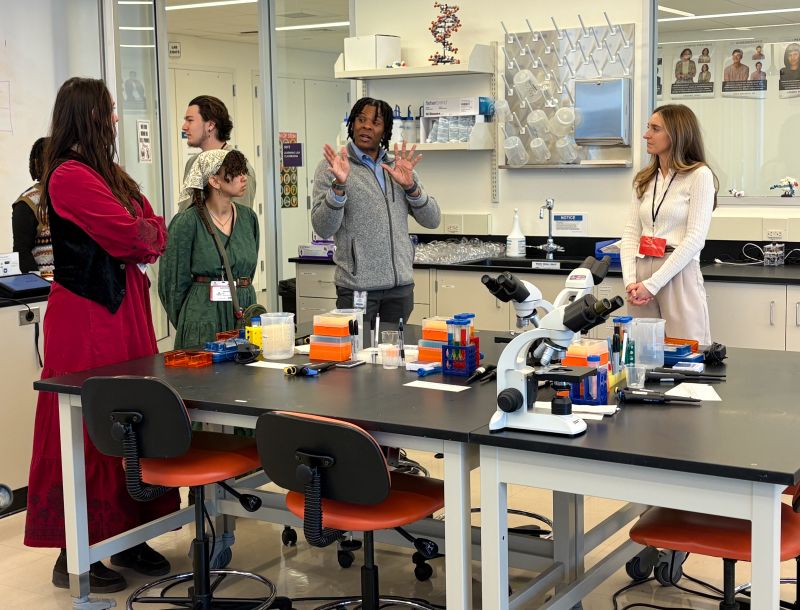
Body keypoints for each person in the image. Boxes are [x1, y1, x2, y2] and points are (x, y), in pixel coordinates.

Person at [24, 77, 176, 592]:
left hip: (124, 312)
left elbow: (149, 225)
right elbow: (136, 232)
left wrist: (146, 232)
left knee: (134, 419)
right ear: (88, 114)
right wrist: (146, 232)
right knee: (91, 427)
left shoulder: (108, 173)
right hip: (88, 319)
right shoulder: (68, 176)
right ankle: (76, 549)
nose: (115, 118)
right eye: (110, 110)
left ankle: (129, 535)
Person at [311, 97, 441, 325]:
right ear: (352, 124)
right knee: (358, 354)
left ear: (386, 131)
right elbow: (323, 227)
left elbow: (432, 220)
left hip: (400, 288)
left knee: (395, 355)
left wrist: (411, 187)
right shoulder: (334, 166)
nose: (366, 126)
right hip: (357, 289)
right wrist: (339, 187)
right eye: (361, 119)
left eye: (375, 122)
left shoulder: (397, 167)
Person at [620, 104, 718, 344]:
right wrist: (631, 282)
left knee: (686, 354)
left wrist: (653, 284)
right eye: (647, 128)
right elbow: (631, 234)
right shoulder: (644, 179)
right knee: (641, 355)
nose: (646, 135)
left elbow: (695, 238)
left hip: (677, 272)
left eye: (655, 129)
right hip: (642, 274)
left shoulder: (699, 176)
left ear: (676, 134)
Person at [159, 149, 259, 349]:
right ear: (214, 181)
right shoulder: (187, 222)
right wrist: (192, 320)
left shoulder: (248, 218)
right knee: (203, 379)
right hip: (203, 317)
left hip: (243, 312)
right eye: (235, 172)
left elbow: (249, 270)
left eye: (243, 171)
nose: (243, 177)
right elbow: (171, 284)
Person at [179, 95, 256, 211]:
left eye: (190, 120)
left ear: (210, 125)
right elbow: (184, 211)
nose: (184, 127)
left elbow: (241, 223)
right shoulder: (192, 163)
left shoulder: (239, 167)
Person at [11, 137, 54, 277]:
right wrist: (40, 286)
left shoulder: (75, 195)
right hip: (47, 289)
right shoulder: (27, 203)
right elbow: (22, 252)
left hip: (81, 287)